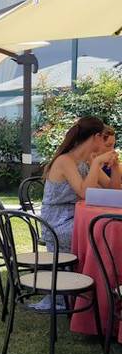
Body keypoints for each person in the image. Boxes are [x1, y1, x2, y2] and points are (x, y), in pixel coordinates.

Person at [37, 116, 117, 311]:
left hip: (74, 217)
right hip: (56, 223)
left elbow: (114, 189)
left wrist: (115, 166)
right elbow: (83, 192)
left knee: (102, 230)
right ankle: (95, 293)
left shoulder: (87, 160)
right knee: (101, 232)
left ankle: (99, 292)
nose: (106, 144)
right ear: (96, 137)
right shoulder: (66, 160)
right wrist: (97, 163)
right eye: (103, 139)